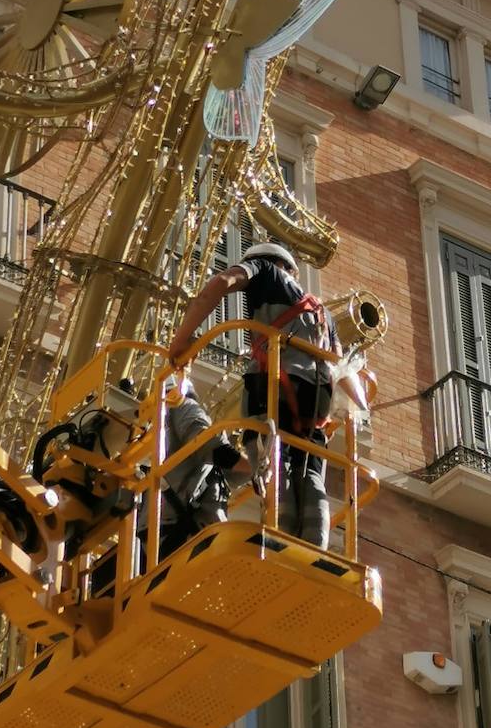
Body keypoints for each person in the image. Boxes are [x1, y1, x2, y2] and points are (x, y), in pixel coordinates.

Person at [168, 242, 341, 549]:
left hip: (276, 383)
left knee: (271, 457)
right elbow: (337, 357)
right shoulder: (323, 312)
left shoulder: (264, 271)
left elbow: (220, 284)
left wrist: (182, 340)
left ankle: (281, 543)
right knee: (310, 469)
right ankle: (316, 548)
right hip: (317, 399)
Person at [91, 367, 247, 592]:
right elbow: (205, 443)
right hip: (185, 533)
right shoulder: (184, 406)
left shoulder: (158, 438)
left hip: (158, 533)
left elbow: (225, 474)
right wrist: (252, 464)